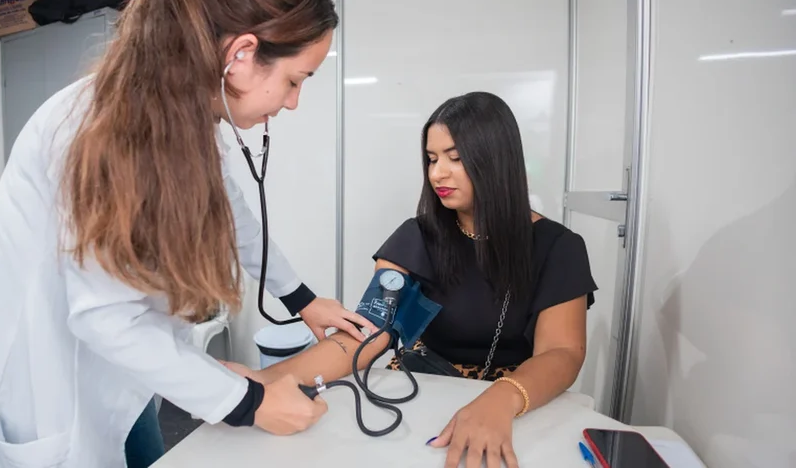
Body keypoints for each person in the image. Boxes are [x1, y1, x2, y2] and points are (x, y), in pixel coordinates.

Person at [0, 0, 377, 467]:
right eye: (295, 80)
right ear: (242, 53)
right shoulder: (105, 127)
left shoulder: (183, 113)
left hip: (122, 375)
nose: (292, 103)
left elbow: (232, 213)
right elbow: (106, 320)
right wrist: (250, 403)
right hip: (50, 387)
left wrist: (302, 298)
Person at [236, 92, 598, 468]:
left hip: (520, 397)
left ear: (497, 160)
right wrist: (267, 380)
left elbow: (562, 353)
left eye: (455, 158)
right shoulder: (416, 238)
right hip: (425, 388)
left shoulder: (558, 247)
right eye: (432, 158)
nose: (437, 172)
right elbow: (367, 332)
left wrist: (501, 398)